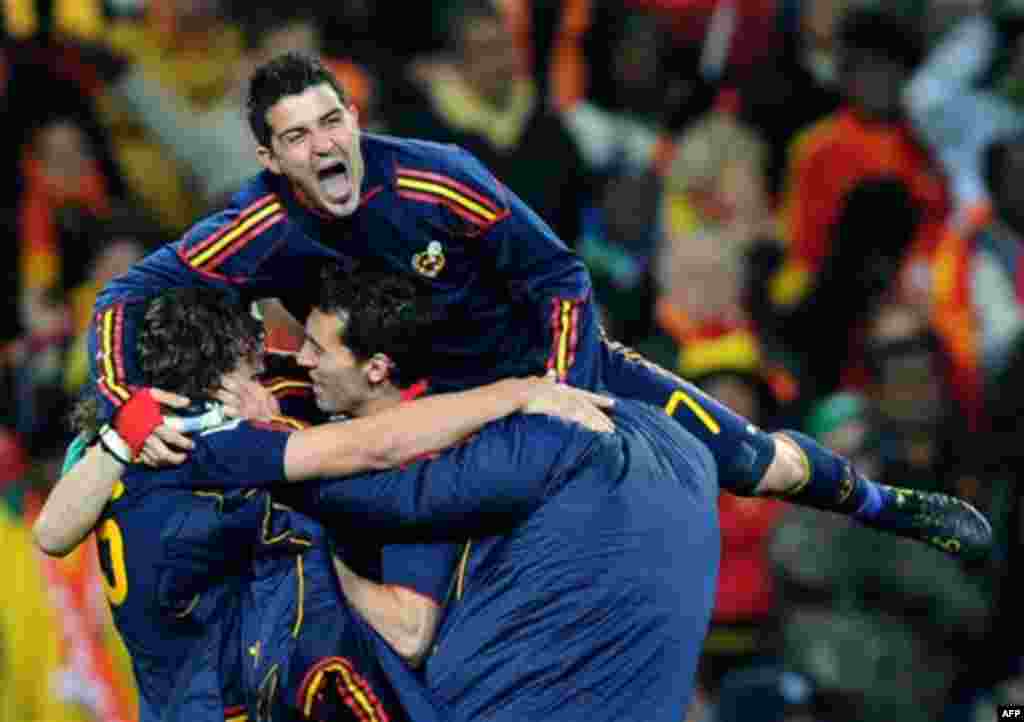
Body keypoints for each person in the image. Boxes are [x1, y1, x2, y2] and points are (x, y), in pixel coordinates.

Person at [84, 50, 988, 561]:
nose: (324, 143)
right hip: (395, 405)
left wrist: (559, 395)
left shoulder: (442, 181)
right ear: (271, 157)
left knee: (762, 469)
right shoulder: (257, 223)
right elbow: (128, 298)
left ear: (353, 120)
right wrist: (128, 411)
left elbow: (560, 279)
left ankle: (882, 502)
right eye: (298, 136)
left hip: (547, 372)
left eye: (332, 121)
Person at [37, 285, 610, 722]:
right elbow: (375, 446)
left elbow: (53, 534)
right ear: (221, 374)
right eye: (254, 366)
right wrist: (521, 391)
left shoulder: (106, 446)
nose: (280, 371)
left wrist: (122, 432)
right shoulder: (214, 445)